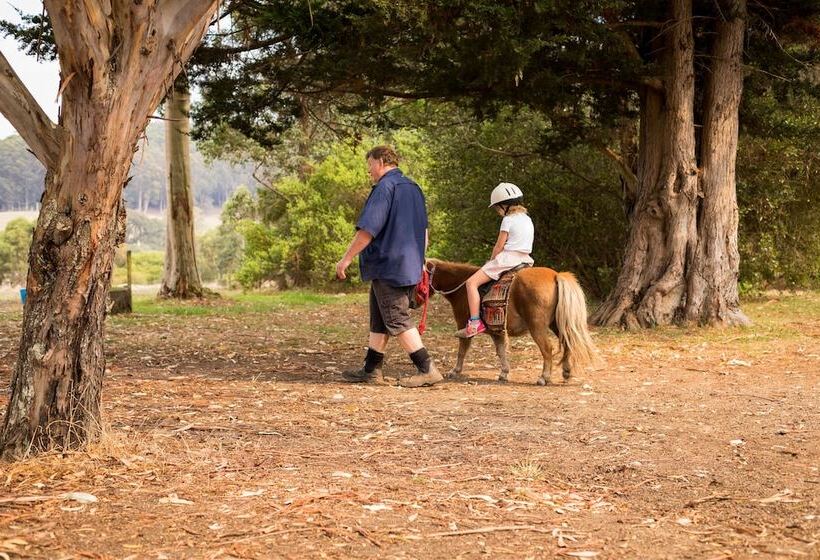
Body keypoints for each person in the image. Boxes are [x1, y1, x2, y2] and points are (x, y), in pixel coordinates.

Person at [335, 145, 443, 388]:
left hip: (388, 264)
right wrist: (420, 260)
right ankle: (371, 369)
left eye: (370, 165)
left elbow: (368, 229)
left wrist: (346, 259)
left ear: (381, 162)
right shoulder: (414, 188)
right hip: (408, 264)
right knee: (380, 317)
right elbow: (424, 231)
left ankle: (427, 369)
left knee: (396, 318)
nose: (369, 171)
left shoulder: (385, 187)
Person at [455, 182, 535, 338]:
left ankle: (475, 323)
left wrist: (491, 261)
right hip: (526, 260)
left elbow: (499, 246)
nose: (498, 211)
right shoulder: (527, 219)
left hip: (508, 259)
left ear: (504, 205)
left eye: (498, 207)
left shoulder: (508, 220)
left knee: (471, 283)